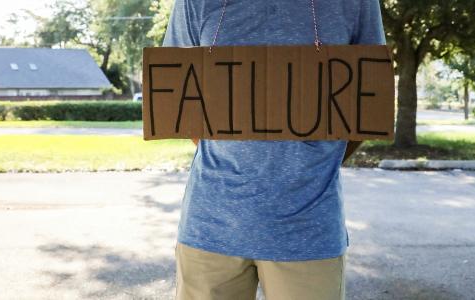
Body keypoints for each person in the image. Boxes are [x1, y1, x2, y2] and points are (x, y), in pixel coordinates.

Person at [162, 0, 386, 299]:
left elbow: (367, 104)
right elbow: (178, 97)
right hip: (210, 231)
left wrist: (314, 161)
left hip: (308, 232)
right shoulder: (196, 2)